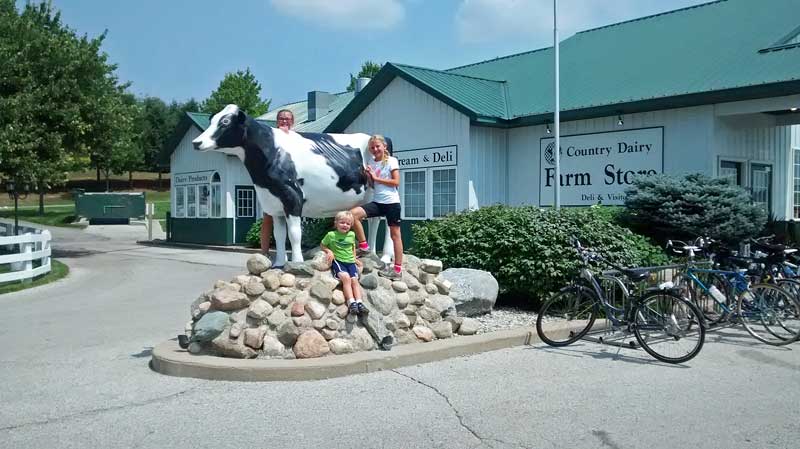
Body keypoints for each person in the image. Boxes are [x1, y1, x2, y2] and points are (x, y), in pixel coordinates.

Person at [350, 134, 404, 280]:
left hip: (392, 203)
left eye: (377, 146)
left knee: (395, 236)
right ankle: (364, 247)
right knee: (352, 215)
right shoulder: (372, 163)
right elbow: (374, 186)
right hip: (378, 203)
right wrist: (369, 176)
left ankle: (397, 270)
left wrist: (376, 177)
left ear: (384, 147)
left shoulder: (392, 161)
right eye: (372, 147)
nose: (375, 149)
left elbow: (396, 182)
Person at [260, 109, 295, 254]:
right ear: (277, 121)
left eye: (287, 119)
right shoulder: (270, 135)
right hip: (273, 181)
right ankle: (264, 253)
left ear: (292, 122)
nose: (284, 121)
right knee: (269, 216)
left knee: (293, 217)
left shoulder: (296, 137)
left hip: (293, 181)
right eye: (281, 118)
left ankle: (294, 252)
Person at [321, 211, 366, 315]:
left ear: (351, 226)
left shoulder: (351, 234)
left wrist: (354, 258)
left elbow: (353, 246)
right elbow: (323, 245)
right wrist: (329, 251)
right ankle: (351, 303)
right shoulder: (331, 235)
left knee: (354, 281)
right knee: (346, 278)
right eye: (342, 222)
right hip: (339, 261)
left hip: (350, 262)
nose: (345, 225)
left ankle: (359, 302)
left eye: (348, 223)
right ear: (336, 223)